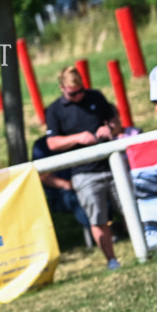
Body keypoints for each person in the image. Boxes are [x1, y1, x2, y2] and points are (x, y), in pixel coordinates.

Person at [45, 67, 123, 270]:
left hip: (112, 165)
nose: (79, 96)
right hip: (84, 173)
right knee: (98, 220)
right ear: (62, 88)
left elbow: (116, 123)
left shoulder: (95, 96)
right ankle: (112, 261)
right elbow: (52, 143)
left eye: (81, 91)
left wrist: (109, 128)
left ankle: (147, 248)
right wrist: (77, 138)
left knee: (130, 207)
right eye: (73, 93)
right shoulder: (54, 110)